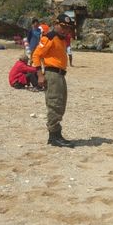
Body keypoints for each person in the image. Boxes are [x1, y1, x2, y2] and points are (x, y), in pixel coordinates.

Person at [32, 14, 75, 148]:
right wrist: (40, 75)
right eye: (62, 27)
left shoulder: (61, 39)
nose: (65, 30)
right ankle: (53, 136)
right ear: (56, 24)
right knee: (54, 103)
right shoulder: (49, 37)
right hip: (52, 74)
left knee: (60, 104)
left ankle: (57, 135)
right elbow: (36, 55)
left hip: (60, 75)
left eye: (67, 28)